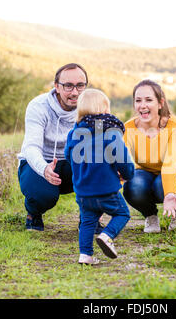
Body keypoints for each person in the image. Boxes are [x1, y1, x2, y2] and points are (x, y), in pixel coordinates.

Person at [17, 63, 103, 232]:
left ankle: (89, 218)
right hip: (43, 163)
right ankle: (33, 214)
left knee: (102, 168)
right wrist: (43, 168)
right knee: (43, 195)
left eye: (80, 86)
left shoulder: (95, 108)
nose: (75, 92)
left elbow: (100, 147)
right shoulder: (38, 106)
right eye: (68, 86)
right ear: (56, 86)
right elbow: (31, 146)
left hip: (75, 164)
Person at [65, 89, 135, 265]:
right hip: (106, 188)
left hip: (83, 191)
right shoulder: (111, 132)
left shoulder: (74, 133)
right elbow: (122, 158)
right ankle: (107, 235)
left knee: (88, 221)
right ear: (104, 109)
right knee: (122, 213)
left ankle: (85, 255)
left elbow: (68, 156)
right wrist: (127, 174)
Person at [123, 79, 176, 233]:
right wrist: (103, 198)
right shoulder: (128, 128)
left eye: (148, 100)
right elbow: (121, 164)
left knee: (161, 185)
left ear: (160, 103)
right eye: (138, 100)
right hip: (147, 173)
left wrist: (170, 194)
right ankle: (151, 216)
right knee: (133, 185)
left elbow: (171, 163)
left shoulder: (175, 126)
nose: (142, 105)